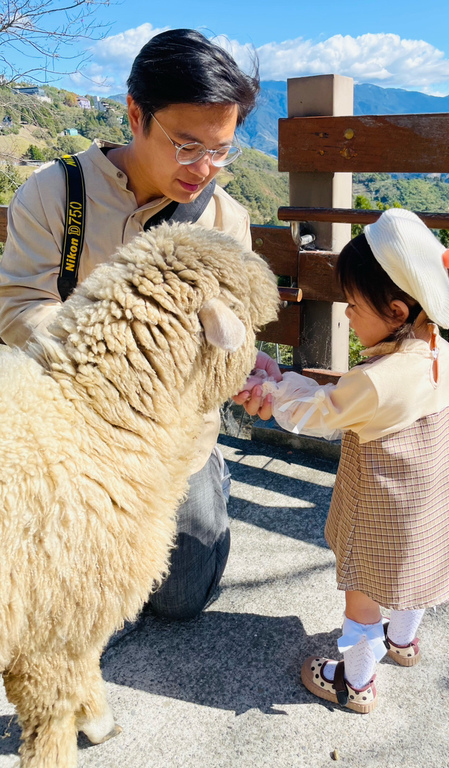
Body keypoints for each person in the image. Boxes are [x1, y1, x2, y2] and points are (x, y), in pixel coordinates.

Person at [0, 29, 268, 620]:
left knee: (178, 602)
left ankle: (211, 480)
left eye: (221, 150)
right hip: (73, 430)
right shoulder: (55, 192)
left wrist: (251, 366)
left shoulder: (225, 218)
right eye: (187, 145)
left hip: (175, 437)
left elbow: (233, 337)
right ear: (135, 114)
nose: (205, 168)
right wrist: (121, 349)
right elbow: (17, 307)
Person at [238, 208, 449, 713]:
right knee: (413, 580)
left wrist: (271, 392)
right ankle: (403, 643)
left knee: (363, 595)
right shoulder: (441, 355)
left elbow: (322, 413)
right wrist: (284, 381)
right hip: (426, 516)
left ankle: (355, 681)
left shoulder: (378, 379)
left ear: (397, 311)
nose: (346, 315)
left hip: (380, 517)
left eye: (354, 306)